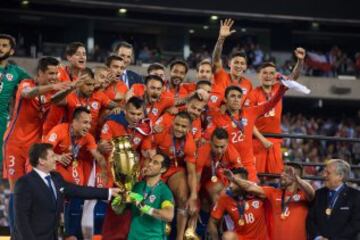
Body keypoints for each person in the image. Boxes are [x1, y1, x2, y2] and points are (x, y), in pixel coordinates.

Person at [2, 57, 69, 233]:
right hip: (15, 145)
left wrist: (73, 86)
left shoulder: (49, 93)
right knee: (17, 192)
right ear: (39, 74)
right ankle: (15, 234)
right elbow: (28, 94)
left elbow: (59, 100)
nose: (54, 77)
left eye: (56, 73)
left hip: (35, 148)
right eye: (50, 74)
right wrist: (54, 86)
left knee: (35, 190)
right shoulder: (26, 83)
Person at [13, 143, 120, 240]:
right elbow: (21, 221)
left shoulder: (56, 178)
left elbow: (78, 191)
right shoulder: (25, 183)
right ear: (41, 161)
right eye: (52, 156)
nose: (56, 159)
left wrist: (109, 192)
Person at [226, 162, 315, 240]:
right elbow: (250, 187)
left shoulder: (303, 195)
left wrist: (297, 179)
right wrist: (234, 179)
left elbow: (312, 193)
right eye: (282, 171)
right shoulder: (273, 192)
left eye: (286, 173)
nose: (281, 175)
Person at [249, 53, 305, 174]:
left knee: (276, 176)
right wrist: (263, 140)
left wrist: (300, 61)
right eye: (265, 73)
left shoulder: (278, 88)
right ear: (259, 75)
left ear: (275, 76)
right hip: (257, 140)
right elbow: (248, 121)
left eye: (271, 73)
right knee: (257, 176)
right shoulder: (252, 94)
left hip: (275, 140)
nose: (268, 76)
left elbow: (293, 78)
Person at [208, 168, 268, 240]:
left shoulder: (258, 193)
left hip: (261, 238)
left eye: (234, 182)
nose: (230, 186)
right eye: (229, 182)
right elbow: (212, 222)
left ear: (243, 182)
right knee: (227, 237)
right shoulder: (225, 198)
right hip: (240, 237)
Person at [0, 34, 31, 176]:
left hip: (2, 123)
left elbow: (36, 84)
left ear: (11, 51)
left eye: (4, 45)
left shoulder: (16, 72)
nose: (0, 48)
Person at [307, 159, 360, 240]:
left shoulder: (355, 196)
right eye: (324, 172)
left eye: (328, 173)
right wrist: (318, 237)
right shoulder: (318, 194)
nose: (324, 175)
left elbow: (355, 224)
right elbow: (311, 219)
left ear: (340, 176)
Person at [127, 152, 175, 239]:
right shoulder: (137, 185)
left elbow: (169, 215)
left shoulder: (164, 191)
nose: (149, 164)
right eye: (150, 161)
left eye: (155, 163)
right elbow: (121, 210)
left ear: (163, 169)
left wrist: (144, 207)